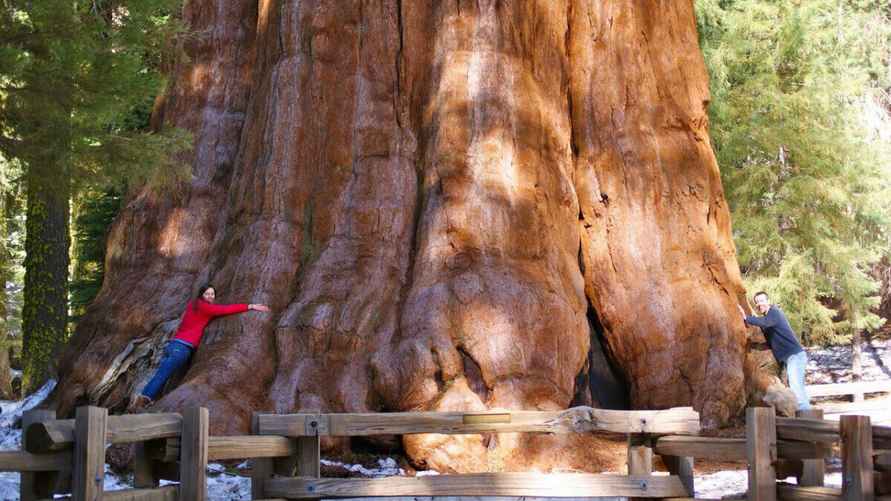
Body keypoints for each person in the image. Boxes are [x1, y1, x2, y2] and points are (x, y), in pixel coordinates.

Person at [131, 284, 270, 409]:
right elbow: (225, 309)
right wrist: (250, 306)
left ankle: (144, 400)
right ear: (201, 295)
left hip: (174, 345)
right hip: (181, 348)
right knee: (163, 374)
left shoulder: (193, 305)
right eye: (207, 294)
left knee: (163, 374)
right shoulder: (204, 307)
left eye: (212, 294)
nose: (210, 296)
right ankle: (143, 401)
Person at [738, 291, 811, 410]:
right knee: (798, 388)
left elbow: (765, 322)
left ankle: (807, 420)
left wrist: (746, 317)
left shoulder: (775, 312)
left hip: (795, 356)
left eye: (762, 301)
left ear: (768, 301)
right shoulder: (768, 320)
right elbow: (765, 331)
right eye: (757, 302)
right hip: (791, 358)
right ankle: (807, 416)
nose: (759, 304)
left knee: (796, 388)